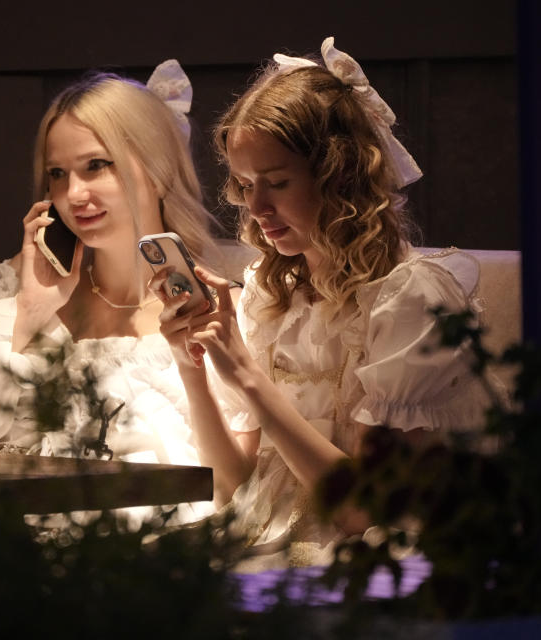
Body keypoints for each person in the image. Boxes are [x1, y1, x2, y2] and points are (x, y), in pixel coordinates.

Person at [153, 38, 496, 568]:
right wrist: (193, 362)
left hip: (367, 551)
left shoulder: (409, 301)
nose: (257, 206)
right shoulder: (271, 295)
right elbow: (231, 482)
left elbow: (364, 510)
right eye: (245, 185)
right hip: (267, 537)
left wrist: (247, 374)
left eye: (278, 182)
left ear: (338, 176)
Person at [0, 60, 222, 523]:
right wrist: (29, 312)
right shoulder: (15, 300)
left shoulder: (213, 305)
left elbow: (230, 477)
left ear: (159, 172)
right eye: (57, 174)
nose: (74, 194)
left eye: (96, 166)